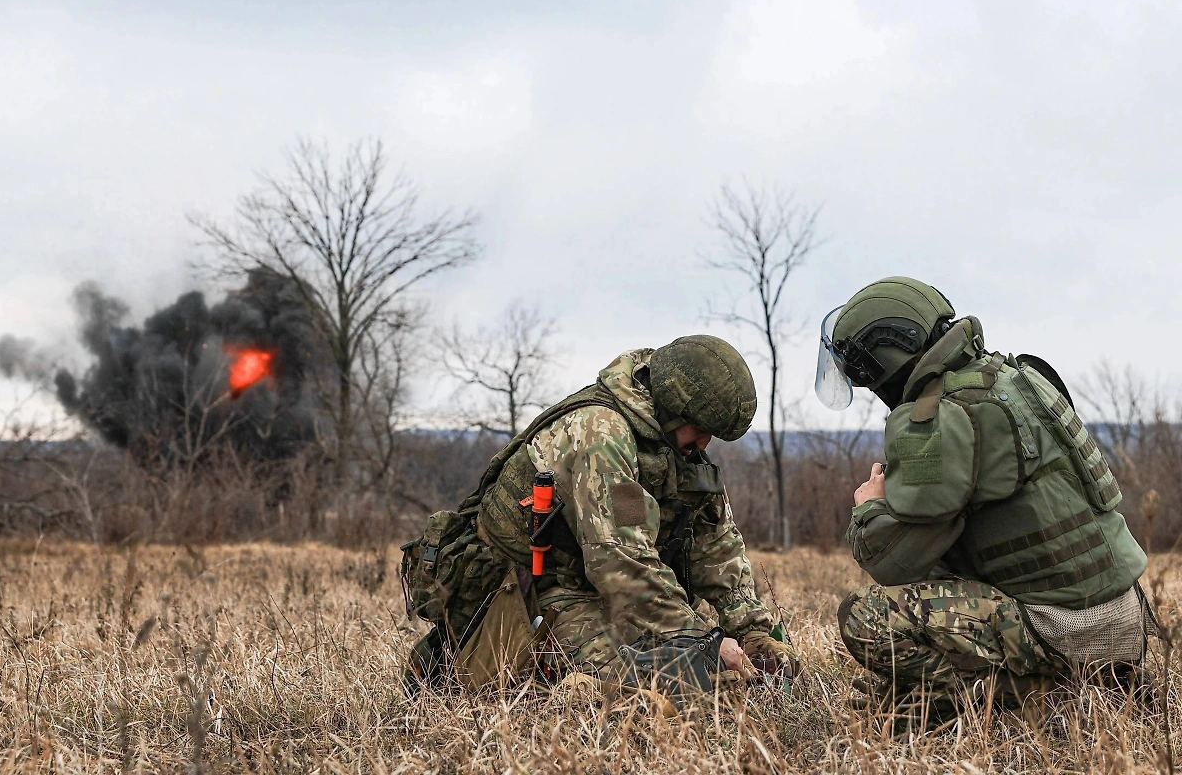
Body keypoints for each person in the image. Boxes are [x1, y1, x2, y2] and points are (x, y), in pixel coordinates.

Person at [815, 276, 1156, 719]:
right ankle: (1097, 678)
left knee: (866, 616)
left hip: (1060, 628)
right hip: (1127, 621)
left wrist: (870, 508)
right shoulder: (1016, 378)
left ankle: (1013, 697)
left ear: (884, 357)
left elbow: (894, 563)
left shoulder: (940, 415)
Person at [403, 335, 796, 700]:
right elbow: (620, 560)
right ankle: (540, 683)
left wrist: (754, 634)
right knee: (673, 681)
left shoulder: (677, 447)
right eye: (699, 431)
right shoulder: (601, 433)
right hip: (535, 591)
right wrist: (705, 641)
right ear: (675, 408)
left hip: (597, 587)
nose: (703, 445)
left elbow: (718, 546)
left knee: (715, 674)